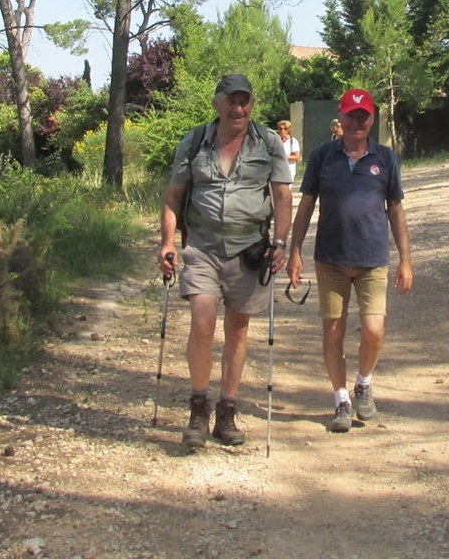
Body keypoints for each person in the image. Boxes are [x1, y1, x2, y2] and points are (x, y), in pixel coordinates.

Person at [159, 74, 293, 448]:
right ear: (217, 103)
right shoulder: (195, 140)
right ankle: (198, 407)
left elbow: (282, 196)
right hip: (202, 246)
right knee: (203, 322)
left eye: (245, 101)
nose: (239, 108)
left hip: (248, 249)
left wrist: (280, 242)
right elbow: (173, 196)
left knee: (237, 330)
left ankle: (227, 412)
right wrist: (168, 242)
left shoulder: (266, 142)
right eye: (232, 101)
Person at [287, 88, 413, 433]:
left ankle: (364, 382)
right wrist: (294, 250)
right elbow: (306, 205)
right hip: (331, 259)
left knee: (374, 330)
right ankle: (341, 398)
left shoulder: (385, 158)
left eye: (363, 116)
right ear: (340, 119)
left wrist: (405, 259)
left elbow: (396, 210)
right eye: (351, 116)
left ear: (372, 120)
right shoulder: (322, 156)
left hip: (372, 259)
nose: (357, 122)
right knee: (333, 330)